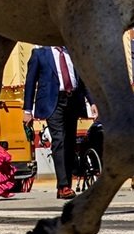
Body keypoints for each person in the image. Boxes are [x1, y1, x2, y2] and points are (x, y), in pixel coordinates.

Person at [24, 44, 88, 199]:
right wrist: (27, 110)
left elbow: (84, 80)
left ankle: (65, 185)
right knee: (58, 140)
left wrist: (92, 102)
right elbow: (30, 83)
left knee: (70, 142)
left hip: (73, 101)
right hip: (52, 102)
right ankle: (63, 186)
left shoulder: (73, 52)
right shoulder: (40, 53)